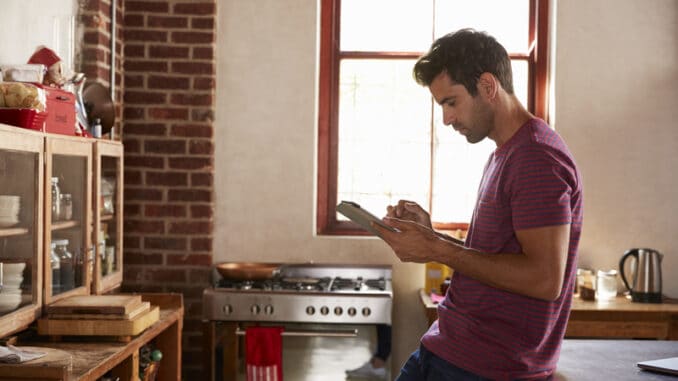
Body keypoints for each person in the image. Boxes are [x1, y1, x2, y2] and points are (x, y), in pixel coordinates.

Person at [372, 28, 583, 381]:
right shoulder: (507, 153)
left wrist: (437, 248)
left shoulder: (536, 157)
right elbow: (493, 256)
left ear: (487, 86)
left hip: (482, 367)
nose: (446, 119)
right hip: (450, 349)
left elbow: (545, 278)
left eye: (451, 102)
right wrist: (431, 237)